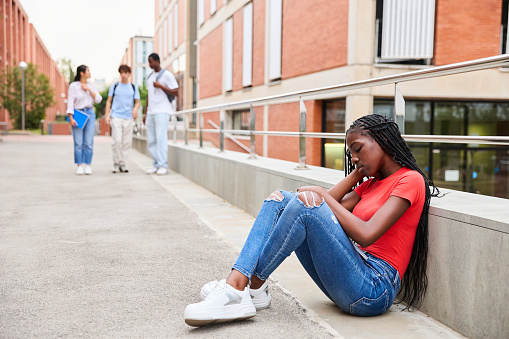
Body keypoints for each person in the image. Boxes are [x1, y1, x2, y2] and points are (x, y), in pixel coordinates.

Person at [184, 114, 440, 327]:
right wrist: (354, 178)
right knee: (281, 199)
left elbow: (366, 233)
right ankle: (245, 286)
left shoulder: (410, 180)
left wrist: (319, 194)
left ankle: (244, 287)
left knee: (305, 205)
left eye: (358, 150)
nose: (354, 159)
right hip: (351, 275)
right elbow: (327, 210)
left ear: (383, 141)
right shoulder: (370, 185)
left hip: (373, 289)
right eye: (351, 154)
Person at [143, 53, 179, 175]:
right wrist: (145, 112)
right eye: (148, 62)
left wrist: (161, 86)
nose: (150, 64)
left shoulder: (167, 75)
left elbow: (176, 91)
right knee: (152, 140)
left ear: (157, 61)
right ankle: (156, 164)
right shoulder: (150, 76)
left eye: (151, 62)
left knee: (161, 138)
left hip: (162, 111)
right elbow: (149, 96)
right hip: (151, 112)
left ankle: (163, 165)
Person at [104, 65, 141, 173]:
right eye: (121, 73)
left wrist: (135, 109)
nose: (123, 75)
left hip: (128, 118)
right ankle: (116, 162)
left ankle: (122, 162)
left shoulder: (133, 87)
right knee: (117, 140)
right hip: (116, 116)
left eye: (125, 73)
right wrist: (107, 115)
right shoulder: (115, 86)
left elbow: (137, 102)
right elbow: (109, 101)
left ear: (129, 74)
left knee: (126, 142)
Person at [67, 65, 102, 175]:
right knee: (78, 142)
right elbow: (70, 102)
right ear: (82, 73)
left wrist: (89, 90)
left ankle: (88, 164)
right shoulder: (74, 86)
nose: (89, 72)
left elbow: (98, 99)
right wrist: (71, 117)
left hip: (90, 113)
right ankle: (79, 165)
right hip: (78, 113)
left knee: (88, 142)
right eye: (87, 70)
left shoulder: (91, 86)